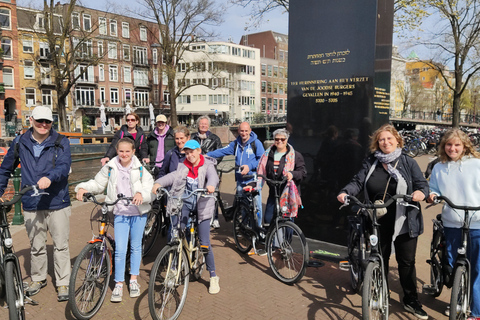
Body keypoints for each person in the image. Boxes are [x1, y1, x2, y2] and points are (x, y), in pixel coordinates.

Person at [337, 123, 429, 320]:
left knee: (406, 262)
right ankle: (380, 293)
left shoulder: (407, 162)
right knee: (380, 257)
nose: (385, 142)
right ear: (377, 143)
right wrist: (346, 192)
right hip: (377, 219)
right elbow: (358, 181)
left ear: (397, 140)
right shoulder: (371, 161)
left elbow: (421, 184)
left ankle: (410, 299)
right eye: (381, 139)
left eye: (389, 138)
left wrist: (420, 193)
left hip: (405, 218)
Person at [0, 106, 72, 301]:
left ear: (51, 123)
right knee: (36, 245)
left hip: (58, 200)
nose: (43, 125)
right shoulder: (19, 142)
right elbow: (5, 169)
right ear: (31, 120)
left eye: (47, 122)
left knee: (60, 245)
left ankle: (63, 281)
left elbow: (64, 166)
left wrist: (50, 177)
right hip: (32, 201)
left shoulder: (61, 141)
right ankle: (39, 278)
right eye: (40, 121)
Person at [76, 138, 154, 303]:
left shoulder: (140, 169)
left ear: (133, 152)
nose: (124, 154)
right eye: (121, 151)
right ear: (117, 151)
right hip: (120, 212)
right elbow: (98, 183)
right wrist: (82, 188)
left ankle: (133, 280)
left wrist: (142, 194)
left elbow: (150, 189)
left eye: (127, 151)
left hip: (138, 213)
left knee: (135, 247)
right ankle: (118, 283)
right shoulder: (110, 167)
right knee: (120, 249)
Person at [152, 140, 220, 294]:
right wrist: (158, 183)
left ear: (199, 151)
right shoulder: (183, 166)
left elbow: (213, 177)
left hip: (202, 206)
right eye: (187, 153)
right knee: (176, 234)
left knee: (204, 242)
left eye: (192, 152)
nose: (189, 155)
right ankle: (174, 269)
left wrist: (211, 186)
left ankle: (213, 276)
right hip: (185, 204)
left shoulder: (208, 165)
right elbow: (172, 176)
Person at [427, 128, 480, 320]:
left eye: (457, 144)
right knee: (452, 264)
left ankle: (476, 312)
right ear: (443, 146)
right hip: (452, 221)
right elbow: (433, 188)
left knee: (477, 269)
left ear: (465, 146)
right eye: (449, 144)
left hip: (477, 222)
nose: (453, 148)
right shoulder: (439, 167)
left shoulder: (476, 164)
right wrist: (432, 195)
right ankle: (457, 300)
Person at [206, 122, 265, 228]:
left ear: (250, 131)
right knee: (242, 206)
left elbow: (262, 159)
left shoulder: (256, 143)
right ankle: (245, 229)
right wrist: (205, 155)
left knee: (257, 206)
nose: (244, 133)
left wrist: (249, 166)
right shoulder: (235, 144)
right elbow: (222, 151)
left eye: (246, 131)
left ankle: (258, 228)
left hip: (253, 180)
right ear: (238, 131)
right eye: (242, 131)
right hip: (240, 180)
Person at [257, 128, 306, 227]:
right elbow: (261, 171)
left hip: (287, 193)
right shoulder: (267, 154)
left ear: (287, 140)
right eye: (277, 139)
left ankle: (286, 242)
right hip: (273, 192)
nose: (279, 141)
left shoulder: (295, 155)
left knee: (287, 220)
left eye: (282, 139)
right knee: (268, 219)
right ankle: (270, 241)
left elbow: (303, 173)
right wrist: (255, 185)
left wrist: (292, 174)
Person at [191, 115, 223, 228]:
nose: (203, 126)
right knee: (196, 193)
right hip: (195, 171)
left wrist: (209, 162)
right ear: (198, 125)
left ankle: (214, 218)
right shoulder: (192, 138)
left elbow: (219, 155)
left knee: (213, 195)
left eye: (205, 124)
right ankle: (197, 217)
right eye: (201, 124)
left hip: (210, 171)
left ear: (208, 126)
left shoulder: (215, 138)